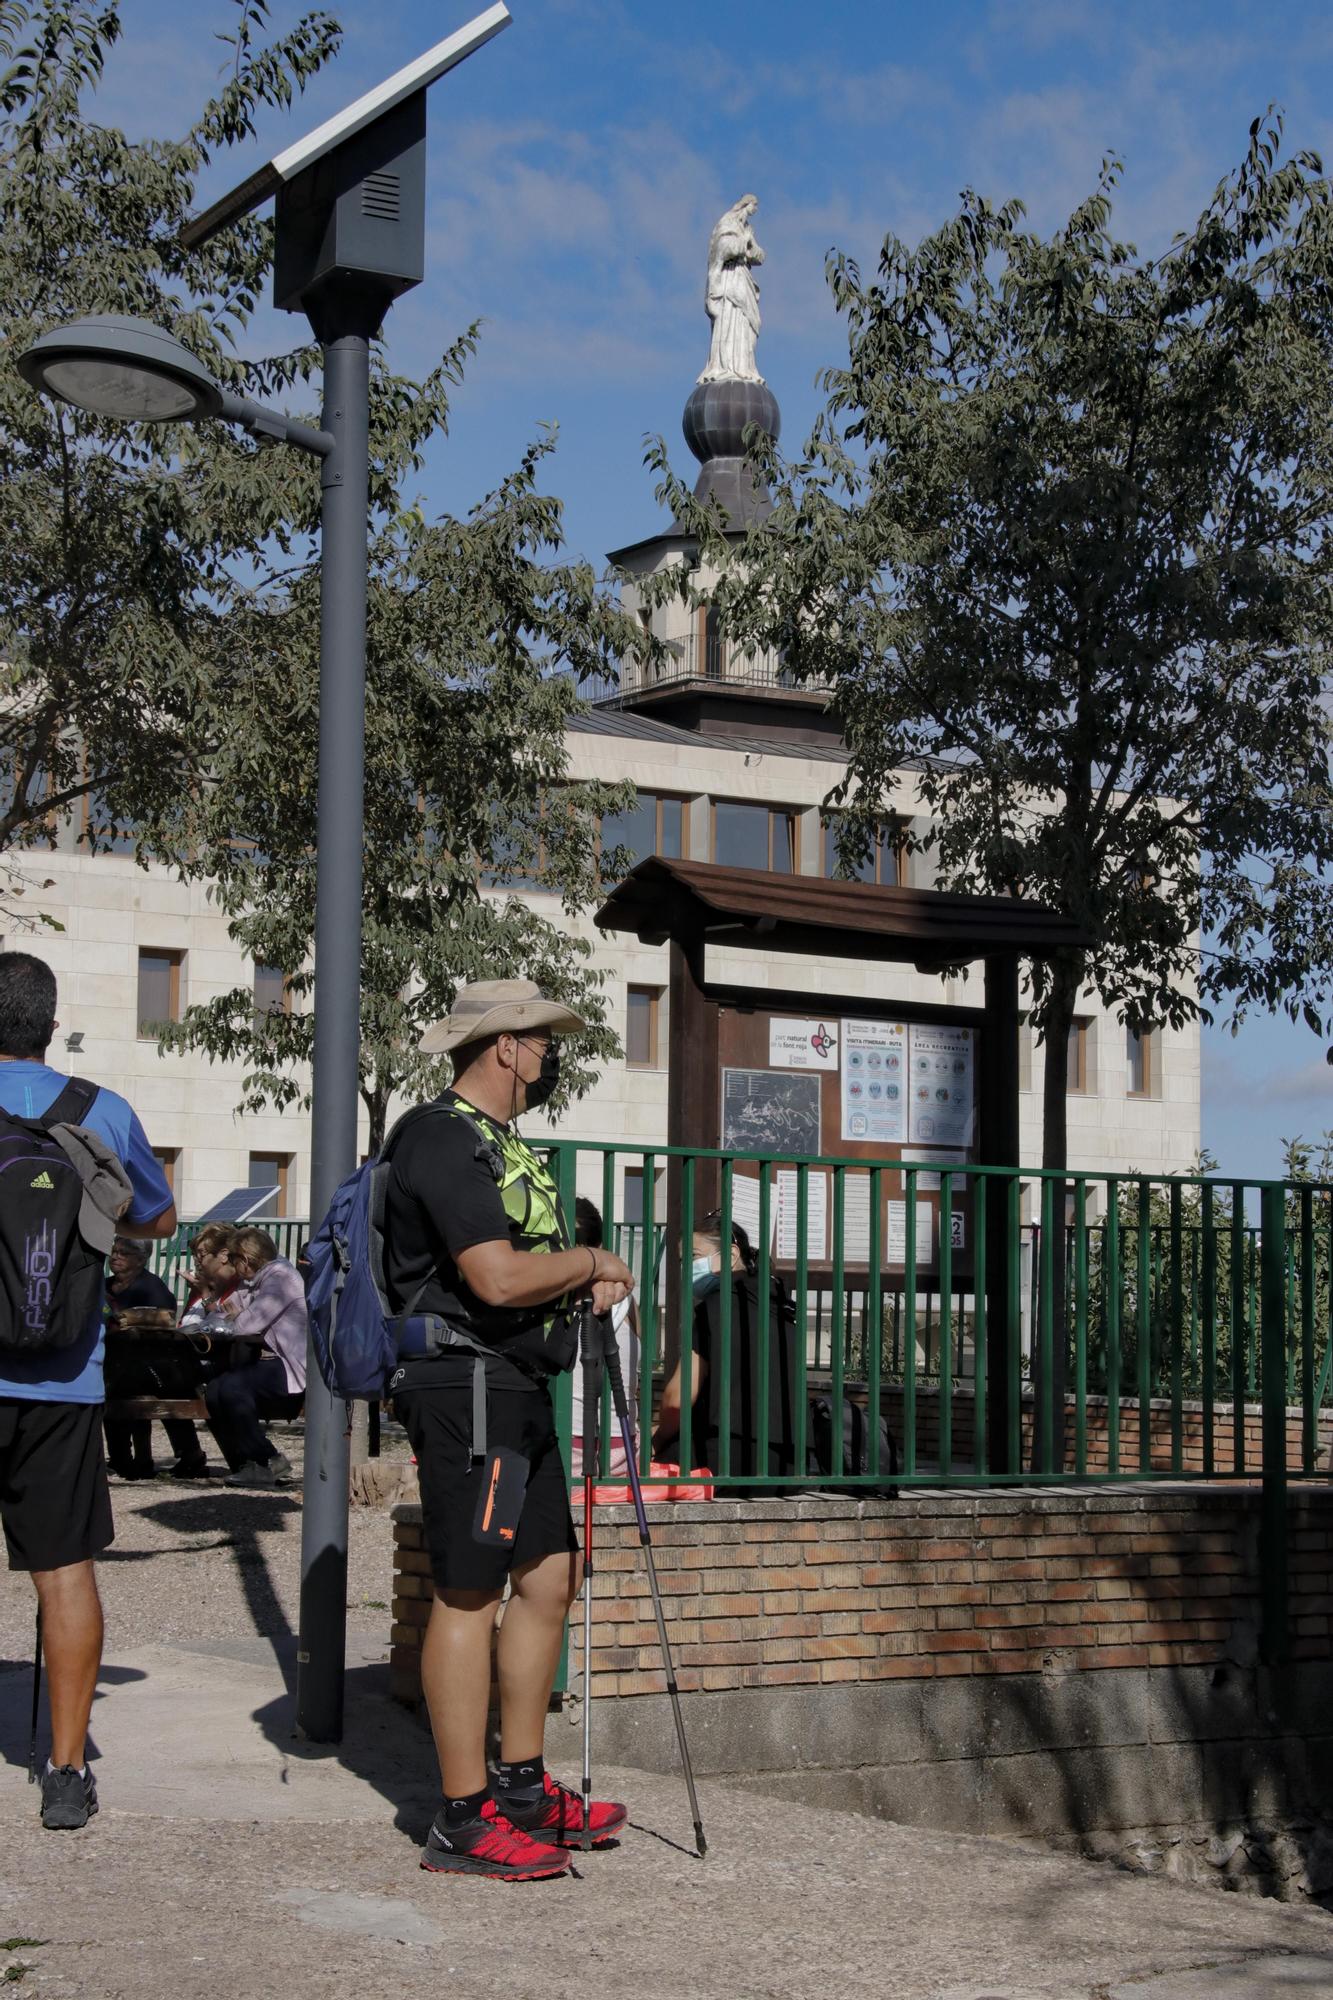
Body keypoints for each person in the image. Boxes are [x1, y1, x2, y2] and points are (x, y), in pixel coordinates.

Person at [384, 978, 635, 1882]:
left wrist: (580, 1280)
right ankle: (461, 1817)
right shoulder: (440, 1137)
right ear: (503, 1047)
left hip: (517, 1382)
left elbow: (528, 1267)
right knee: (467, 1590)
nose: (549, 1056)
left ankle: (521, 1787)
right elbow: (491, 1278)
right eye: (542, 1041)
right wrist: (595, 1259)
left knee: (548, 1576)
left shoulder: (500, 1143)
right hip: (467, 1386)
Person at [0, 952, 176, 1830]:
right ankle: (66, 1771)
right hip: (65, 1378)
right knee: (64, 1573)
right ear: (50, 1019)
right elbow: (159, 1216)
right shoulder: (100, 1109)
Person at [654, 1212, 800, 1489]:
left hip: (726, 1460)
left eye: (694, 1257)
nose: (688, 1268)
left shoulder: (715, 1307)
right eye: (684, 1262)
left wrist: (659, 1438)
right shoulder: (782, 1308)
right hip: (787, 1465)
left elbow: (677, 1398)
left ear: (732, 1253)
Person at [204, 1228, 306, 1487]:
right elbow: (216, 1318)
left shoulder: (280, 1280)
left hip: (292, 1366)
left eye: (235, 1261)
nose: (234, 1269)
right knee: (214, 1390)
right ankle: (245, 1464)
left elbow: (243, 1325)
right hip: (267, 1361)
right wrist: (231, 1314)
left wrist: (234, 1316)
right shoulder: (256, 1281)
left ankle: (268, 1459)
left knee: (232, 1388)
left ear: (246, 1260)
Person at [102, 1237, 207, 1482]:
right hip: (114, 1360)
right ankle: (120, 1457)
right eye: (113, 1251)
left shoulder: (153, 1288)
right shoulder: (103, 1285)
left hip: (153, 1365)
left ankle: (137, 1459)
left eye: (123, 1252)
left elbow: (163, 1327)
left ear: (141, 1258)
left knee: (121, 1384)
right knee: (109, 1380)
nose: (115, 1256)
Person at [569, 1196, 640, 1477]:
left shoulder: (544, 1291)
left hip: (565, 1440)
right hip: (622, 1445)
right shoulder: (627, 1298)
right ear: (599, 1247)